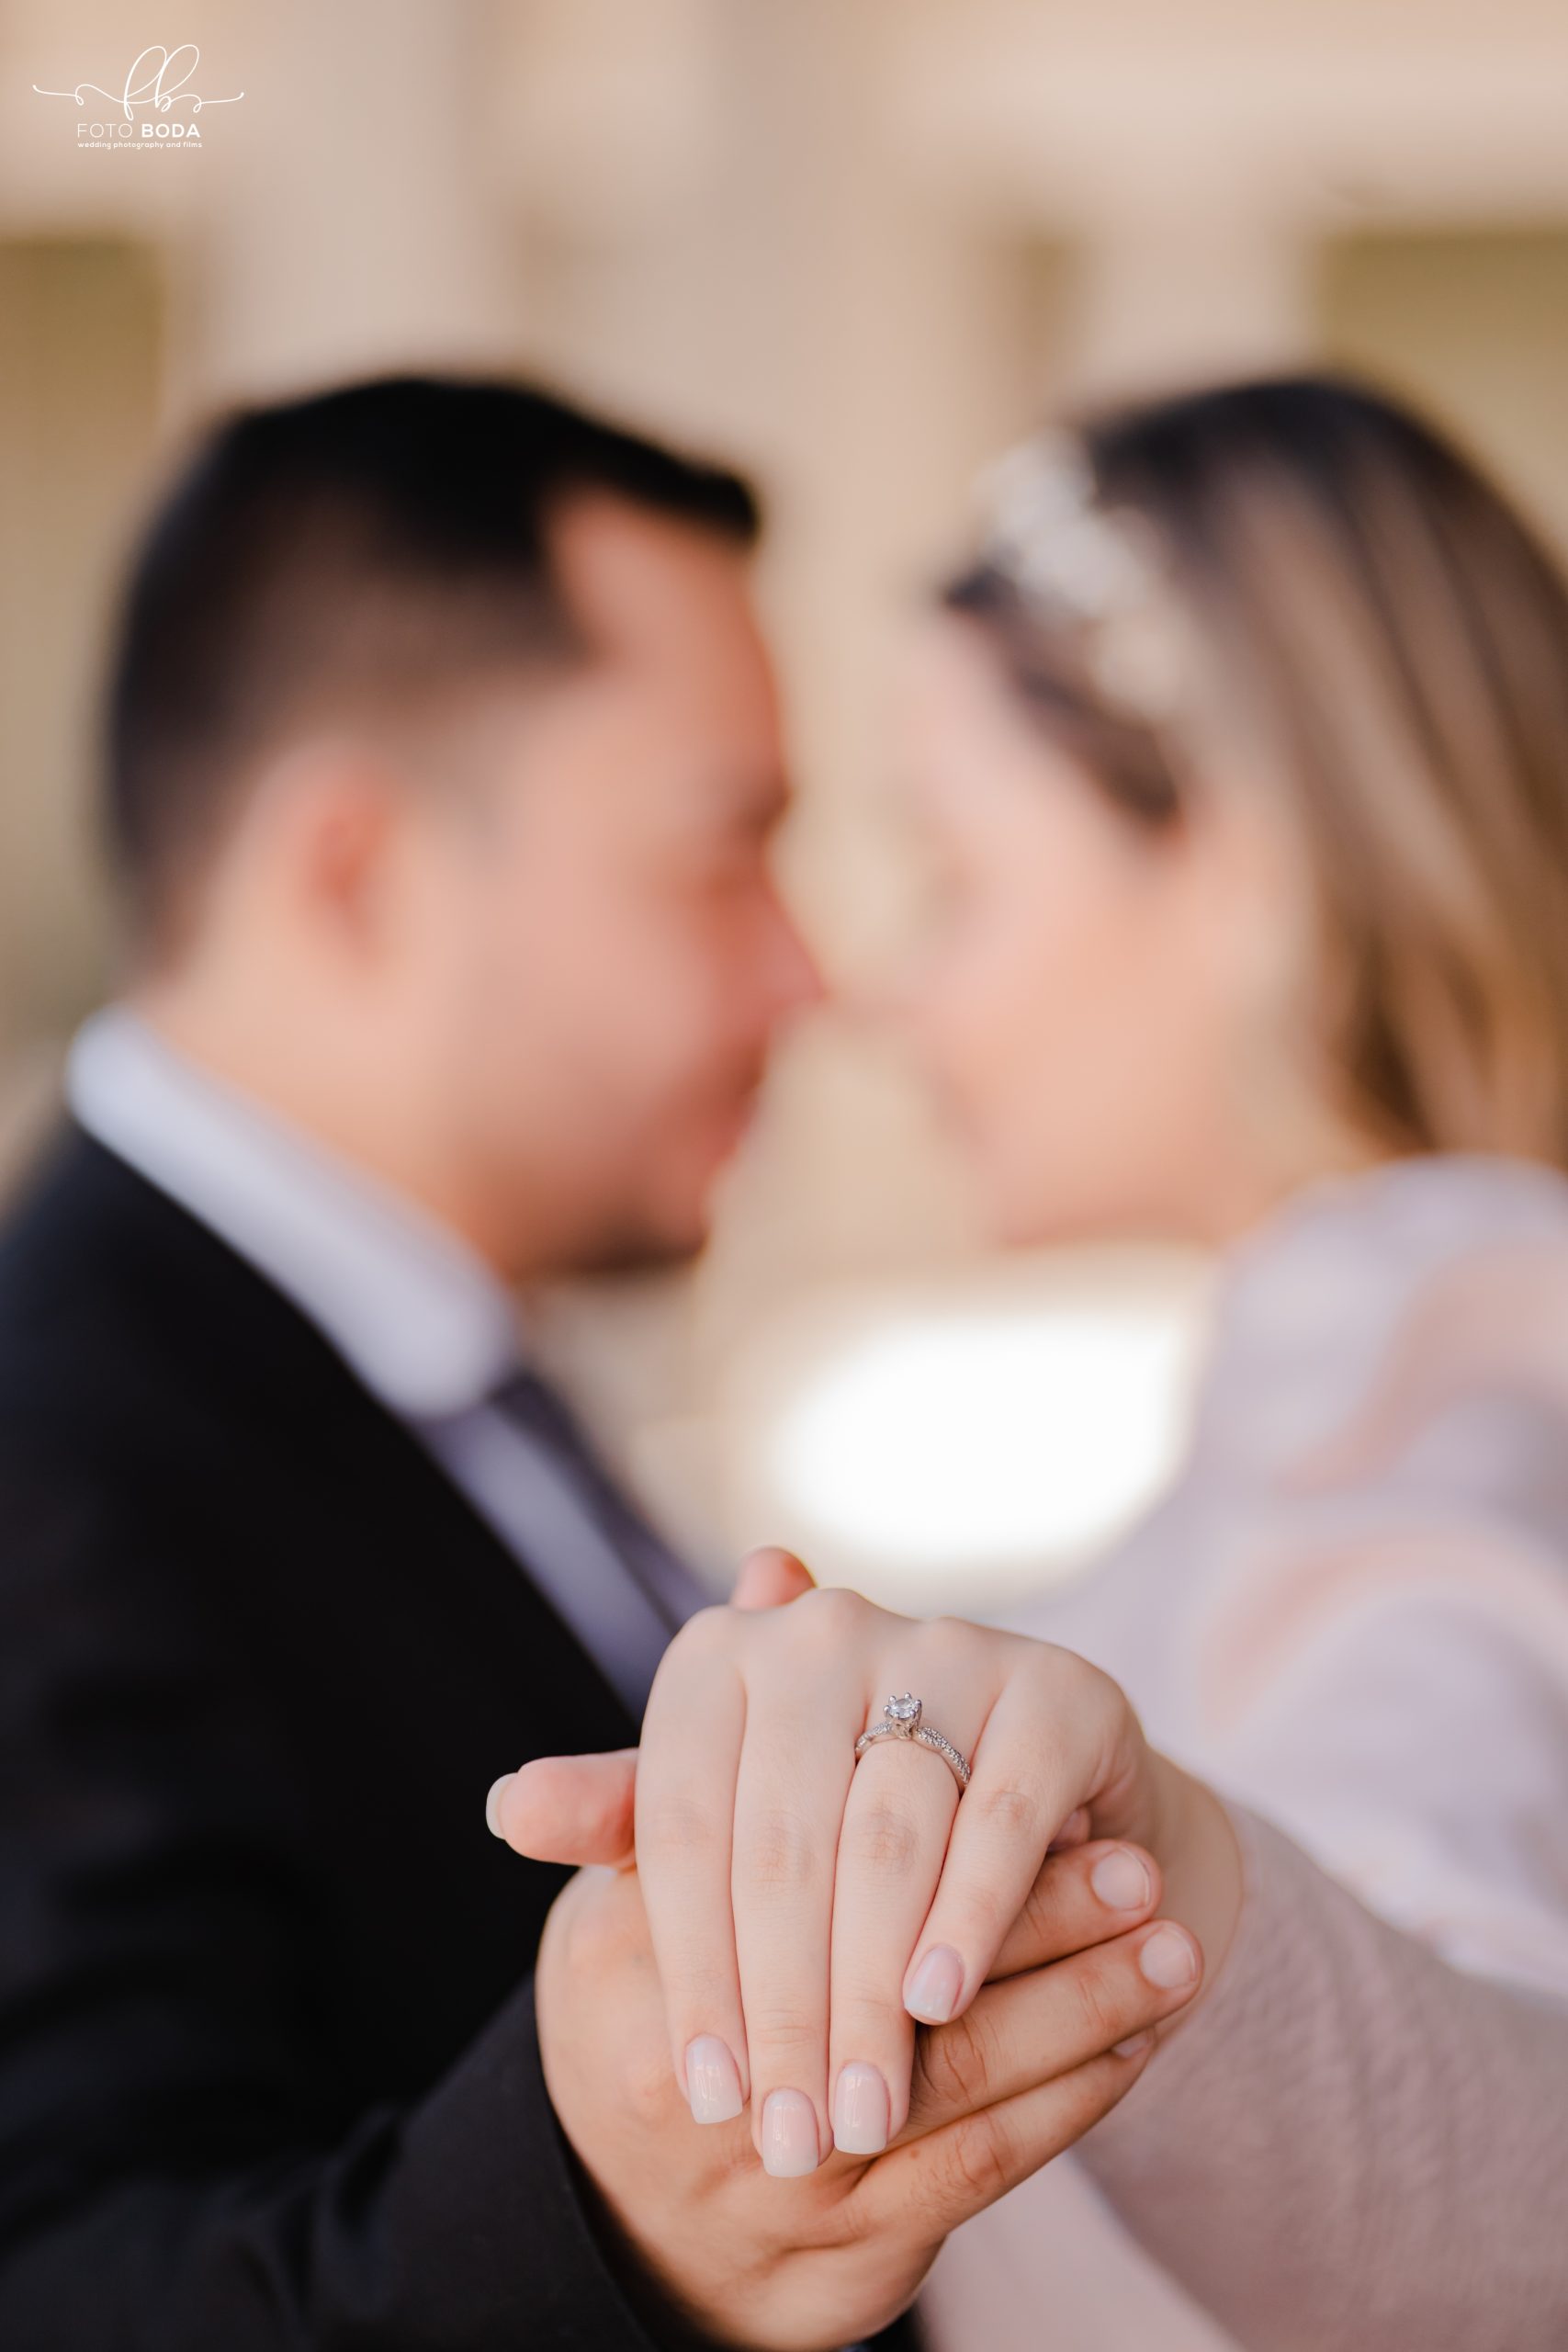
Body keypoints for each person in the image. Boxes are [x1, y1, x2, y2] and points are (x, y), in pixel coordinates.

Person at [0, 372, 1201, 2351]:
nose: (808, 974)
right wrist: (606, 2214)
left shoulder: (447, 1365)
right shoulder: (53, 1456)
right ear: (356, 870)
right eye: (719, 853)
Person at [497, 374, 1568, 2349]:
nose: (883, 996)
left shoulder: (1429, 1385)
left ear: (1239, 866)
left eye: (955, 876)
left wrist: (1151, 1878)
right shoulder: (1390, 1362)